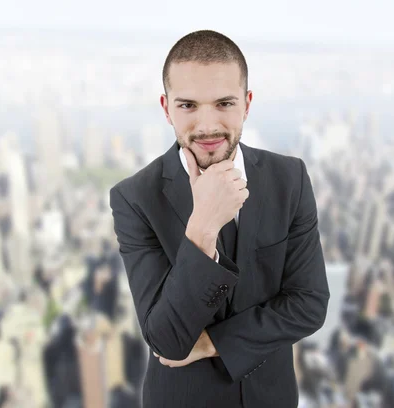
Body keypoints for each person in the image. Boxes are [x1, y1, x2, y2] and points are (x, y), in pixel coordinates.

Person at [109, 29, 329, 408]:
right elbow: (166, 340)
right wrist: (203, 226)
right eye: (188, 105)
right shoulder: (135, 198)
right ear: (166, 108)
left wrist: (212, 343)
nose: (207, 125)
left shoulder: (288, 179)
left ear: (247, 103)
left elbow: (309, 304)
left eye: (224, 103)